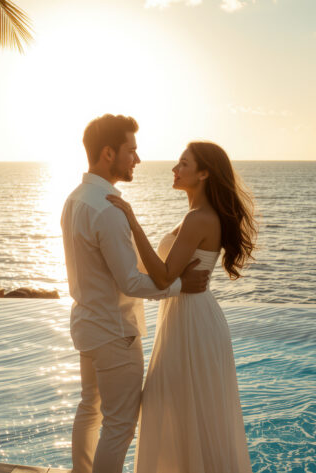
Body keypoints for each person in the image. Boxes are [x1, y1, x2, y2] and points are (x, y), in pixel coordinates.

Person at [61, 114, 211, 473]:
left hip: (87, 325)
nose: (138, 159)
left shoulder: (75, 200)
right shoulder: (108, 209)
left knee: (89, 409)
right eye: (132, 151)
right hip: (115, 332)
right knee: (120, 426)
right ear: (109, 153)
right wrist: (178, 286)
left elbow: (112, 270)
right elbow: (130, 282)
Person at [106, 141, 256, 473]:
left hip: (193, 322)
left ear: (204, 173)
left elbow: (162, 277)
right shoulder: (194, 216)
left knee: (184, 407)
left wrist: (132, 220)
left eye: (183, 164)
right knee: (177, 407)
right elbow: (160, 273)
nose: (175, 169)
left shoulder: (199, 219)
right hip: (186, 315)